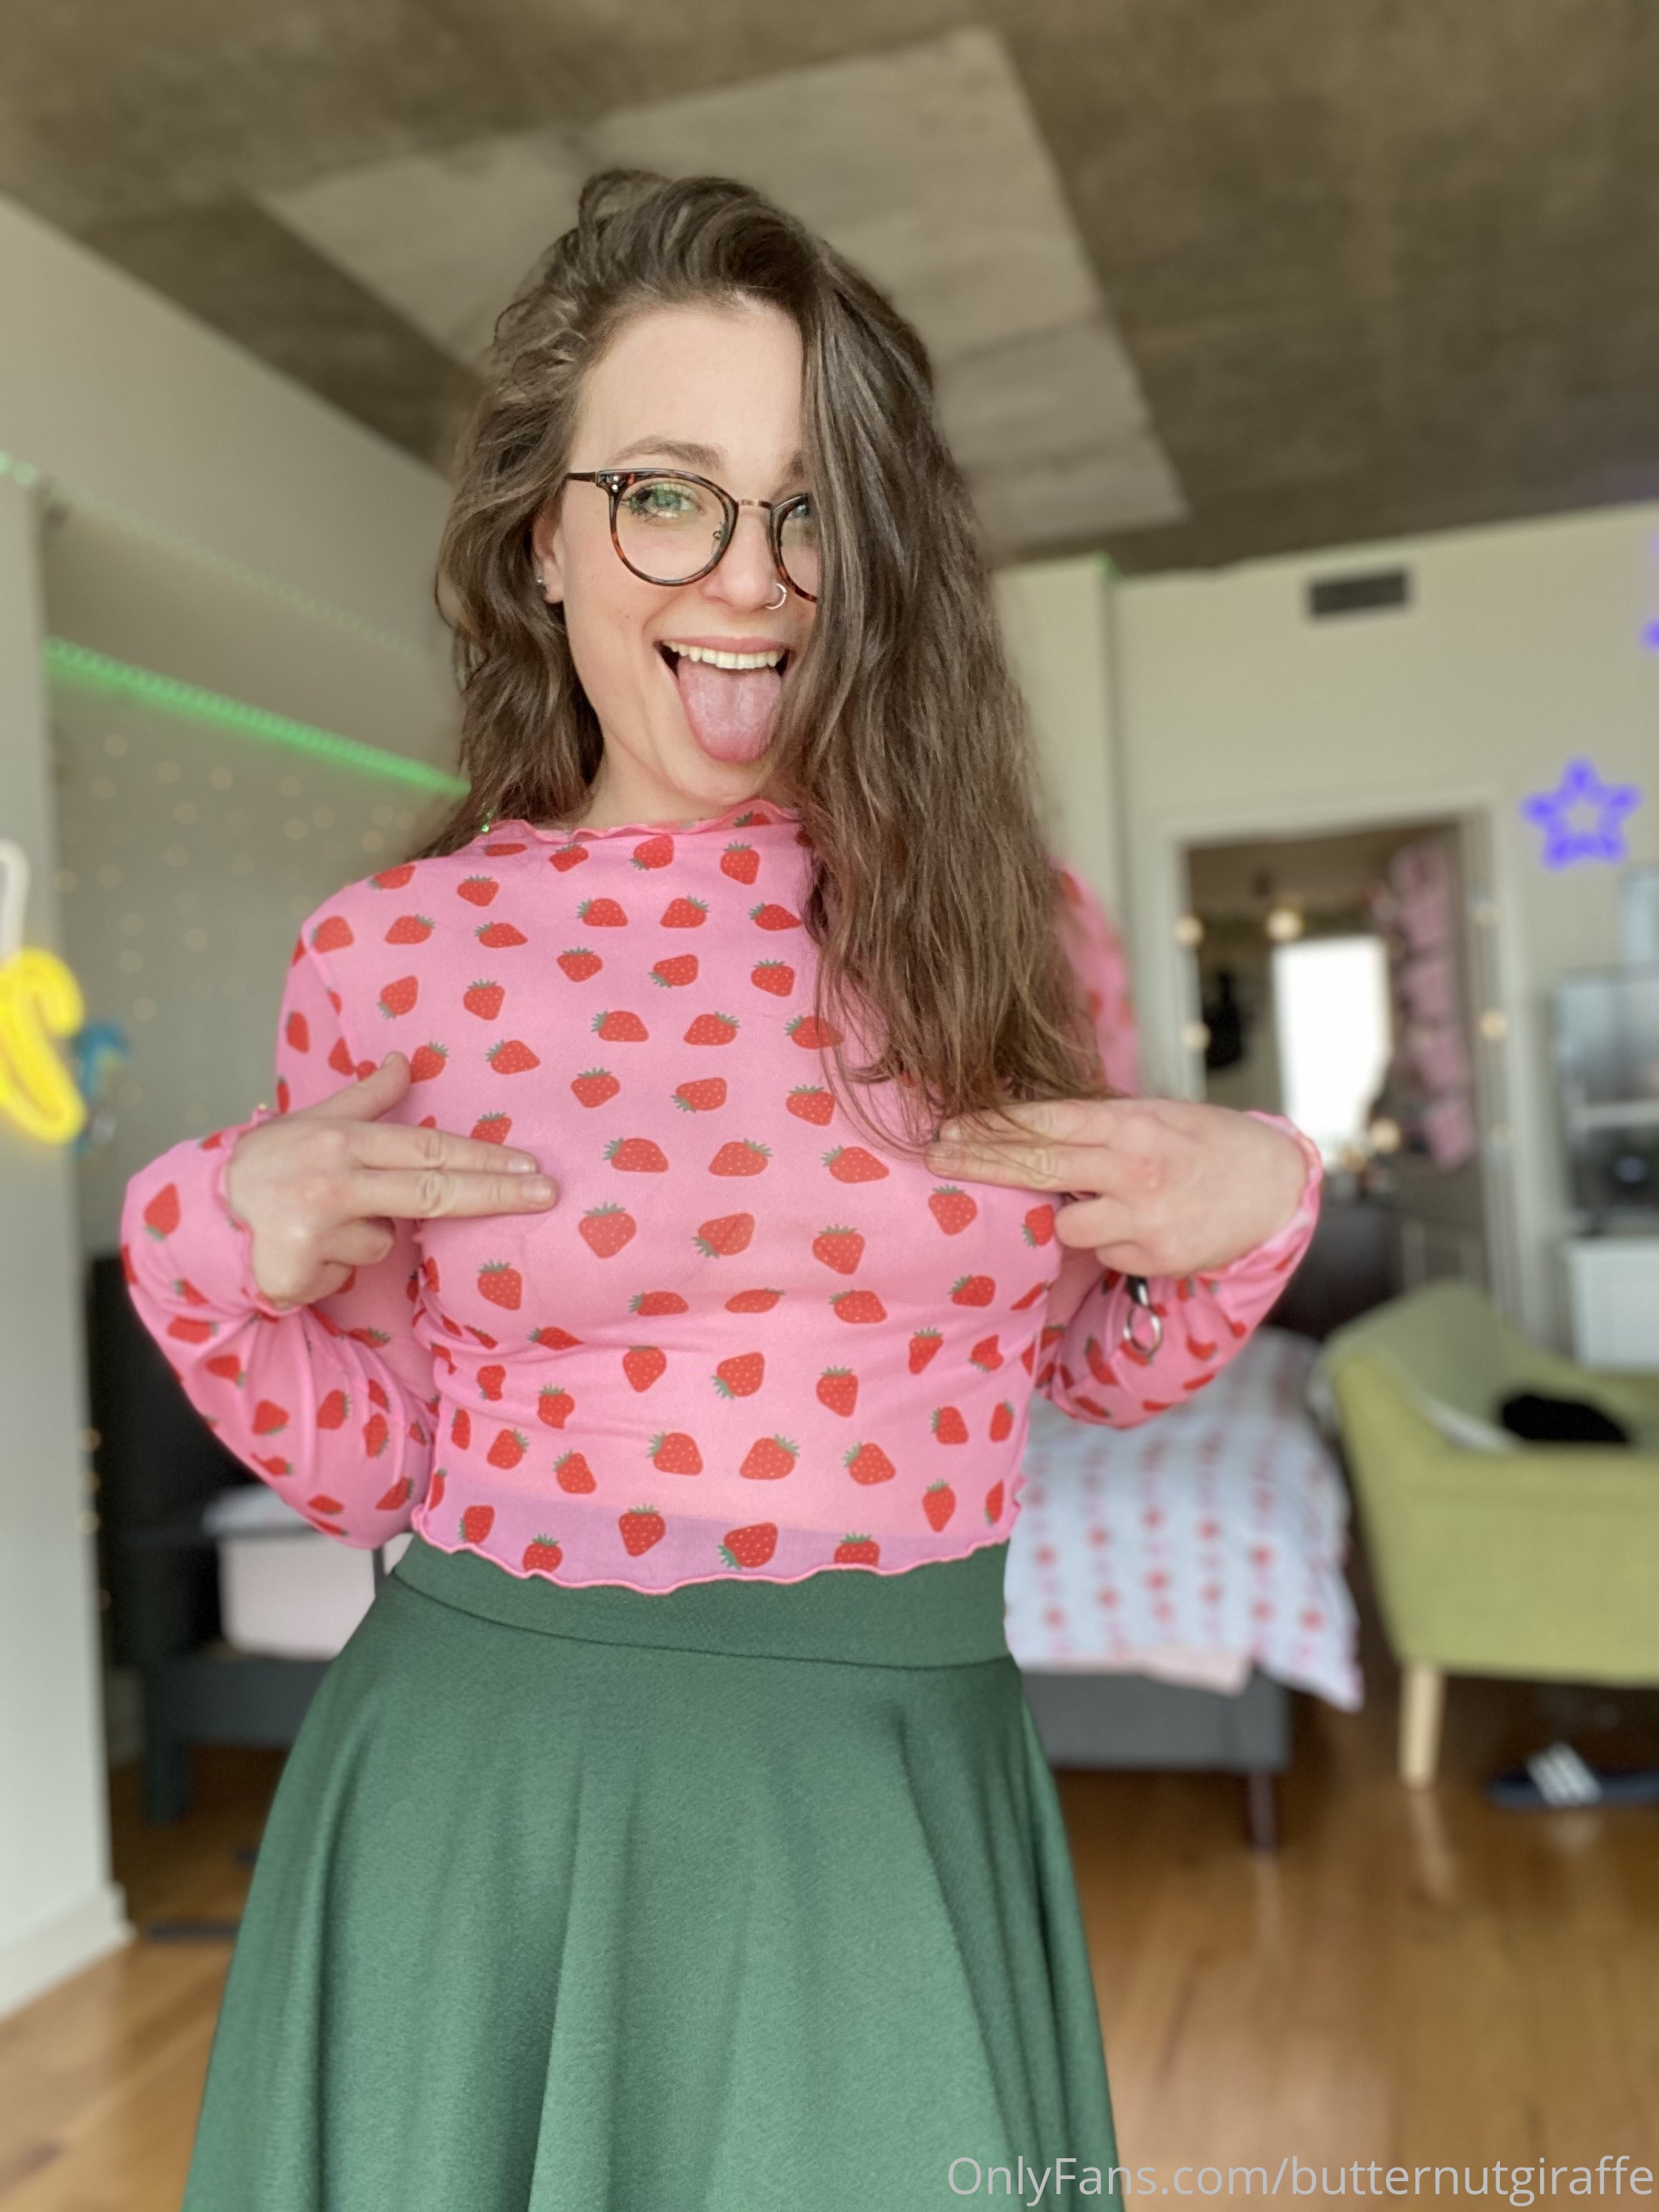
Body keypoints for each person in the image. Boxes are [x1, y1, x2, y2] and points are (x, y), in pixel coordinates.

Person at [120, 170, 1321, 2211]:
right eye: (667, 496)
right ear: (545, 537)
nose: (749, 578)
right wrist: (204, 1240)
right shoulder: (390, 954)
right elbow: (376, 1460)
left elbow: (1092, 1371)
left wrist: (1258, 1199)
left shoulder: (1015, 929)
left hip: (893, 1785)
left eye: (809, 507)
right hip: (484, 1798)